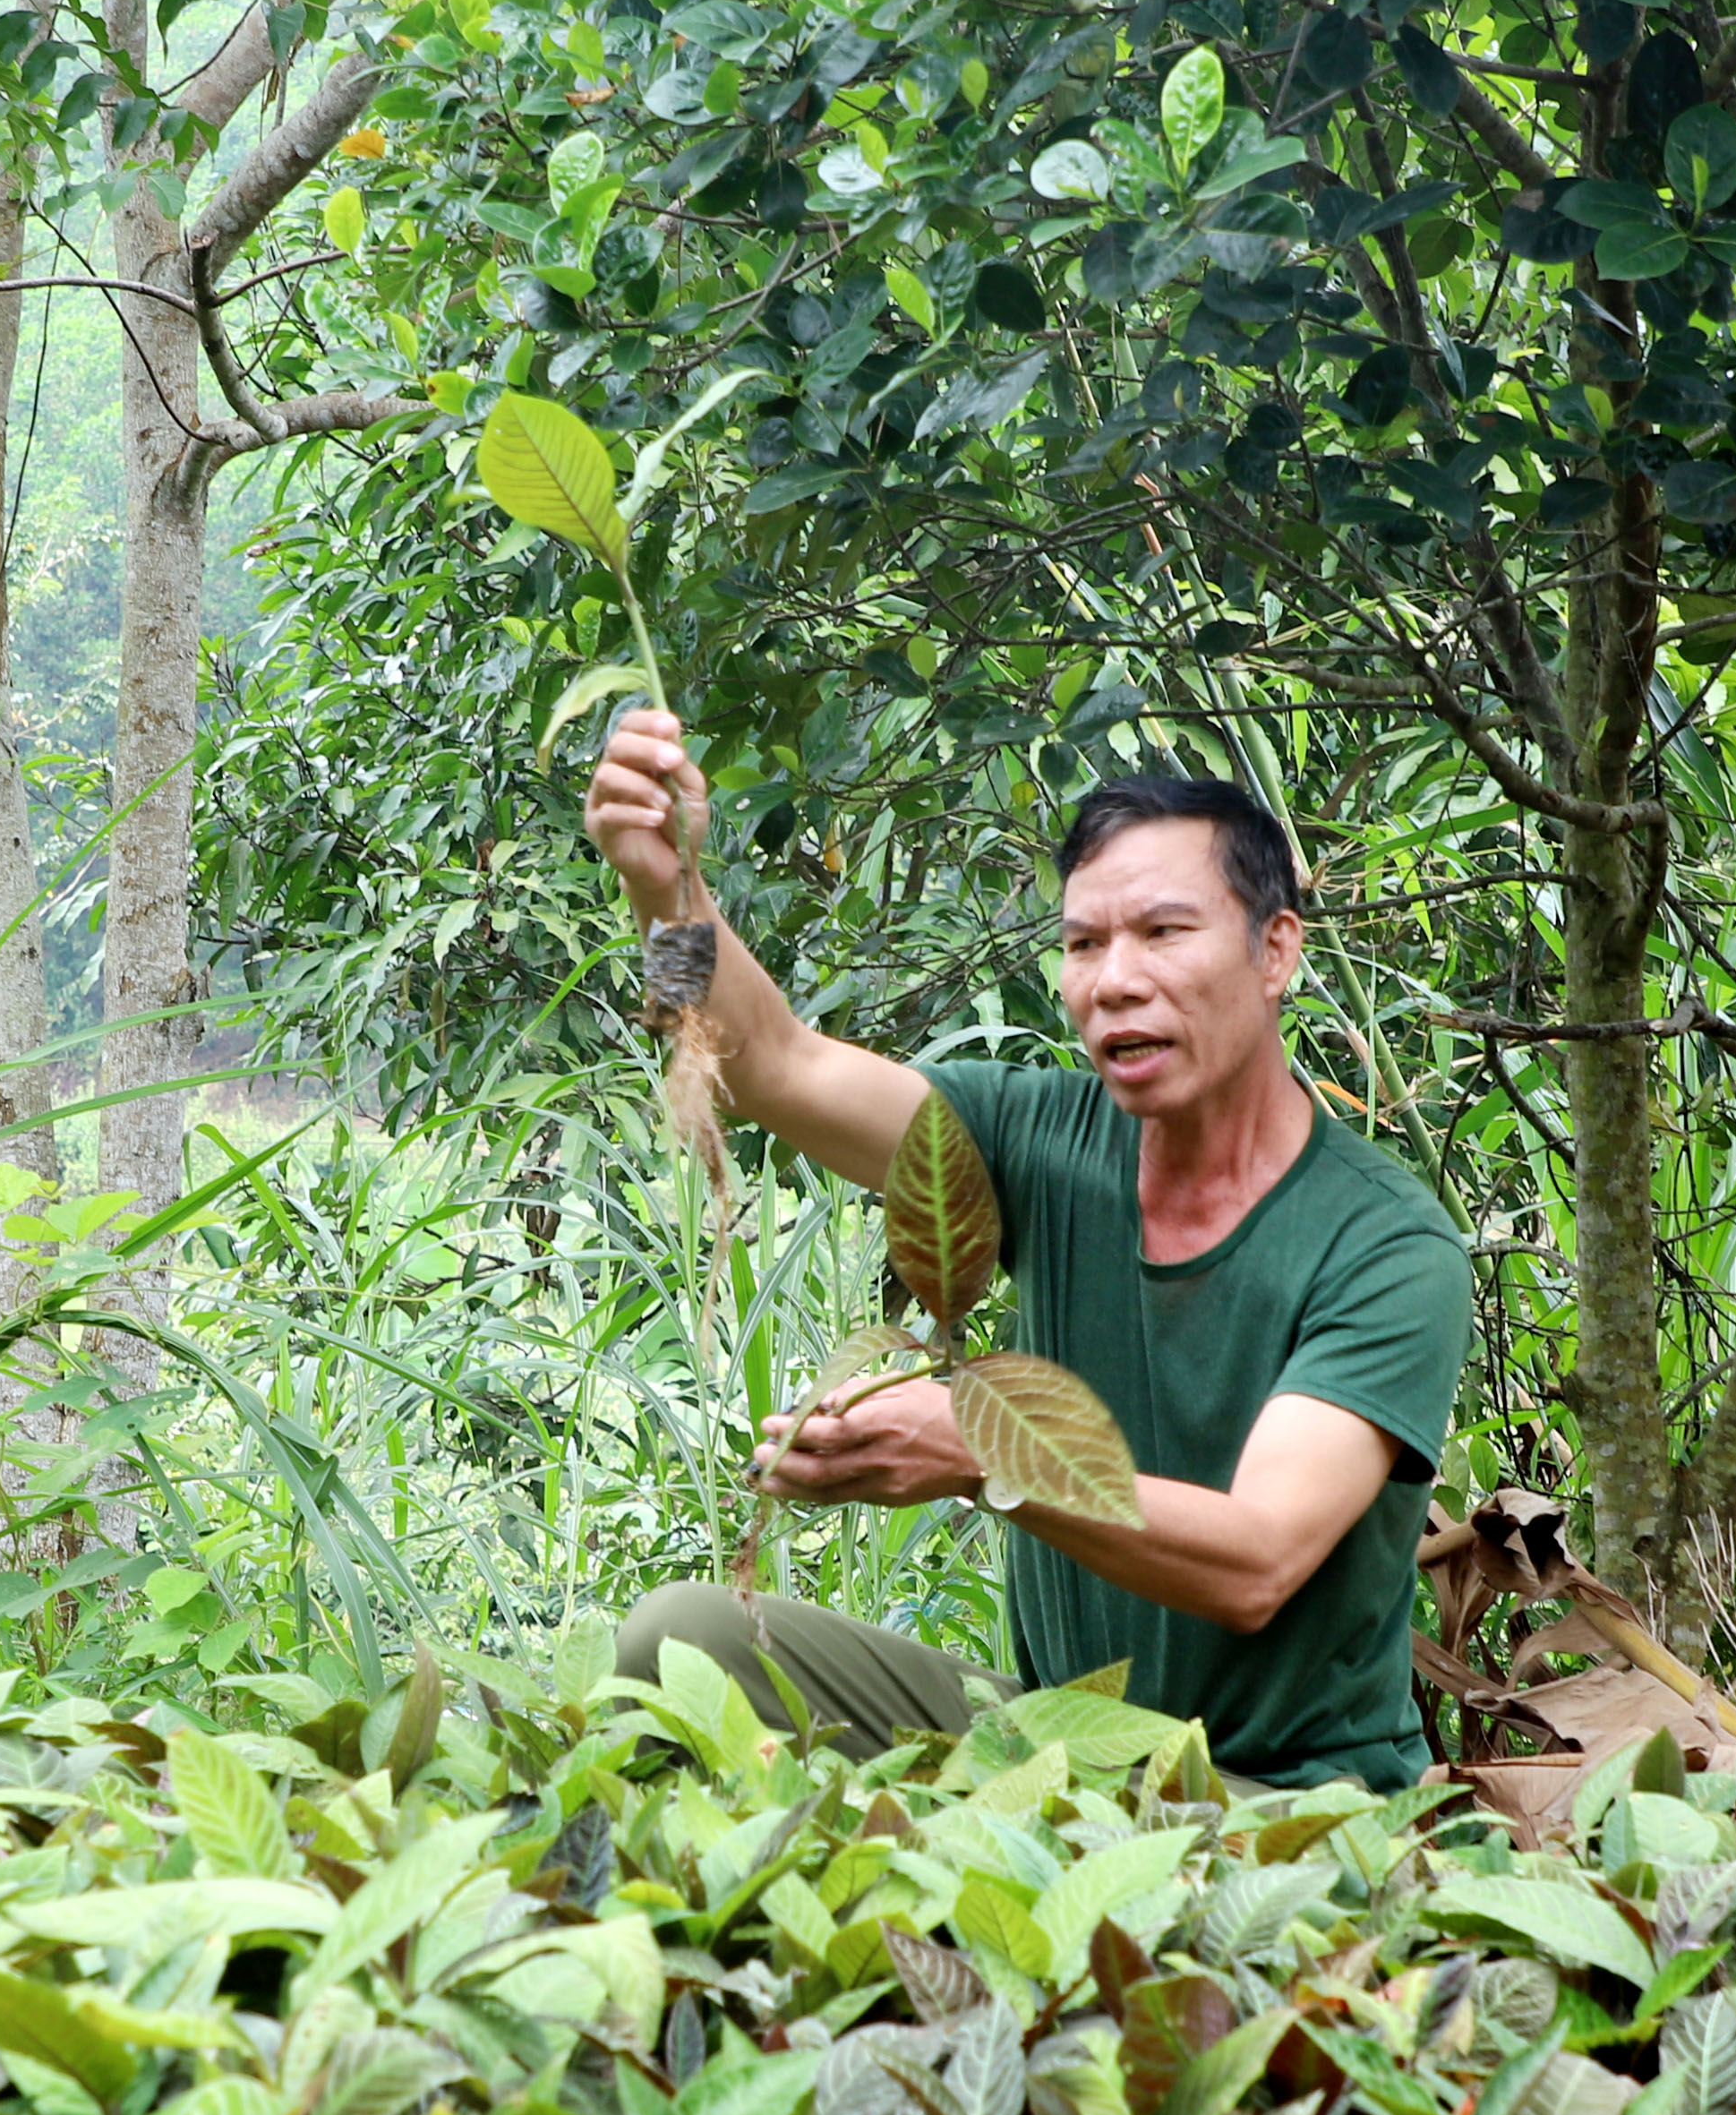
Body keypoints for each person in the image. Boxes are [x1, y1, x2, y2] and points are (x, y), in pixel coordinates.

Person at [583, 704, 1469, 1791]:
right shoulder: (1034, 1137)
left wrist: (983, 1452)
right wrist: (663, 887)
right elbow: (770, 1067)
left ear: (1275, 948)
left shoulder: (1384, 1242)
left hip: (1281, 1798)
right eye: (1084, 943)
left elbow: (1258, 1559)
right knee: (679, 1643)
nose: (1114, 979)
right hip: (1050, 1747)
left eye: (1164, 932)